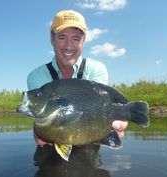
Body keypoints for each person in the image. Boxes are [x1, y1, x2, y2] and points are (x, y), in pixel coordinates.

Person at [27, 9, 128, 146]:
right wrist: (40, 130)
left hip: (89, 139)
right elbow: (44, 118)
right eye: (62, 37)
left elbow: (99, 105)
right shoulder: (37, 76)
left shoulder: (96, 69)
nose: (69, 46)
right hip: (52, 143)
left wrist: (119, 120)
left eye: (76, 39)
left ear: (84, 40)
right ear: (52, 39)